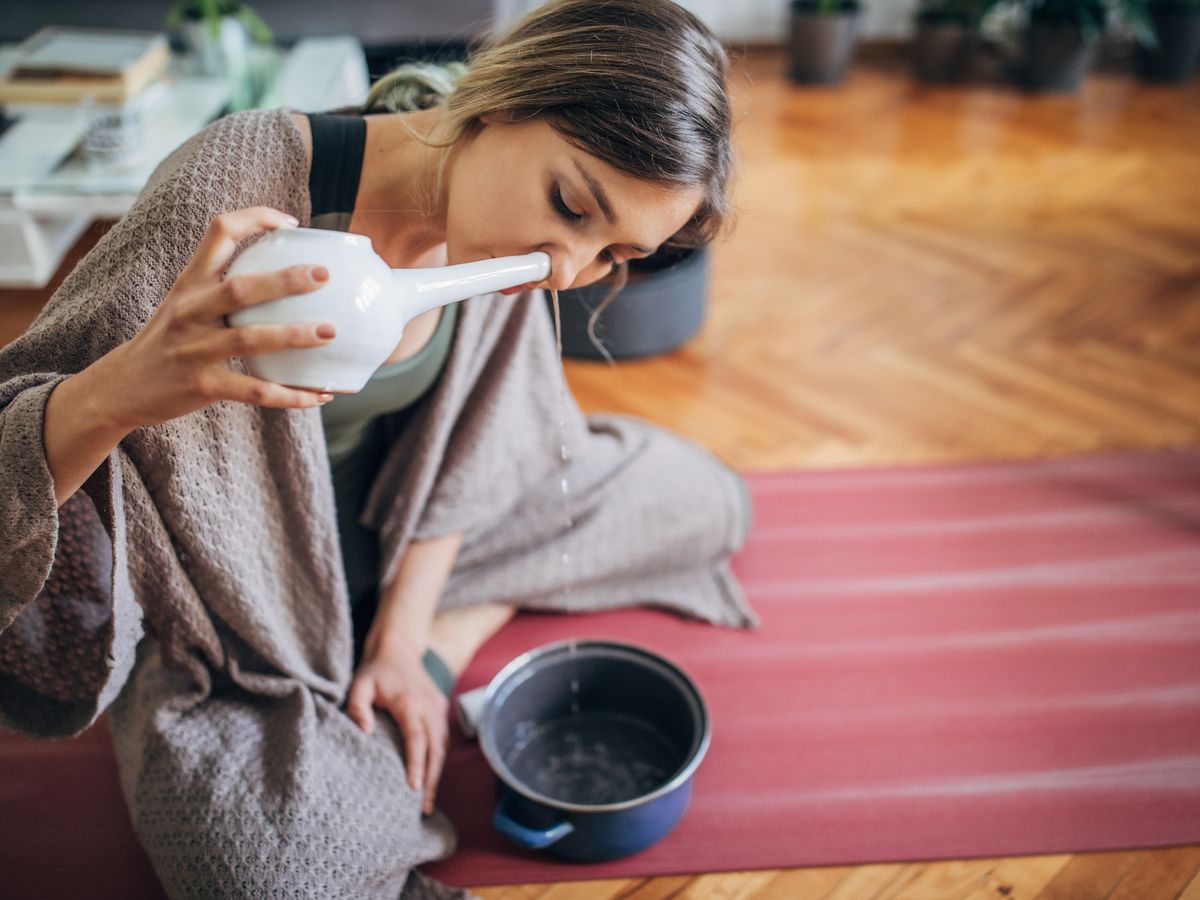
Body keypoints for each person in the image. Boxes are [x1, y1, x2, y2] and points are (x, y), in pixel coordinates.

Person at [0, 1, 755, 896]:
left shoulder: (516, 248)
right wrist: (124, 390)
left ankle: (441, 634)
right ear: (507, 95)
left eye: (612, 253)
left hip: (404, 535)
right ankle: (366, 699)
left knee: (706, 499)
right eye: (570, 204)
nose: (566, 267)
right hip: (243, 600)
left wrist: (404, 643)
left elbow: (479, 448)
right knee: (267, 876)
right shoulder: (243, 186)